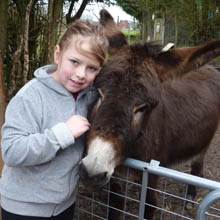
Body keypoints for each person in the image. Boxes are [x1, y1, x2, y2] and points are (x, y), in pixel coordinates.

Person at [0, 19, 109, 220]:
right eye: (74, 62)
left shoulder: (89, 96)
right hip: (25, 209)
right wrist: (62, 134)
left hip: (65, 204)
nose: (80, 74)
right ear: (58, 54)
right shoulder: (30, 97)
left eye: (91, 68)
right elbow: (11, 151)